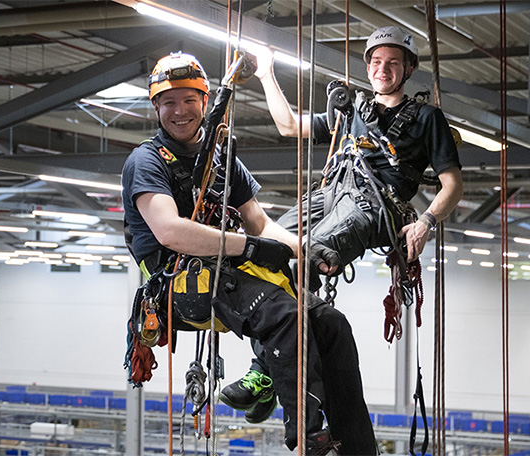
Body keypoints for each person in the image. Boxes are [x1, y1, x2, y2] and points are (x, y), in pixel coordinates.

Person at [122, 51, 377, 455]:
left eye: (189, 99)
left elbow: (258, 221)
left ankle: (359, 448)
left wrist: (303, 249)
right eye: (169, 102)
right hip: (180, 282)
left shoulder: (222, 158)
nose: (180, 111)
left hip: (224, 270)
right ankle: (308, 437)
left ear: (204, 102)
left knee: (330, 324)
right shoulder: (147, 161)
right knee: (285, 316)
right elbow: (169, 231)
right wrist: (251, 248)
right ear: (156, 108)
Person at [258, 25, 464, 268]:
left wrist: (425, 222)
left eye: (393, 62)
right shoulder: (350, 112)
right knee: (263, 247)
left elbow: (454, 186)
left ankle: (299, 304)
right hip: (329, 196)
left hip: (375, 208)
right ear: (368, 68)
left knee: (306, 261)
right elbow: (289, 126)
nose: (383, 69)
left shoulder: (427, 117)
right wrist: (265, 74)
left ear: (408, 69)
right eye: (376, 61)